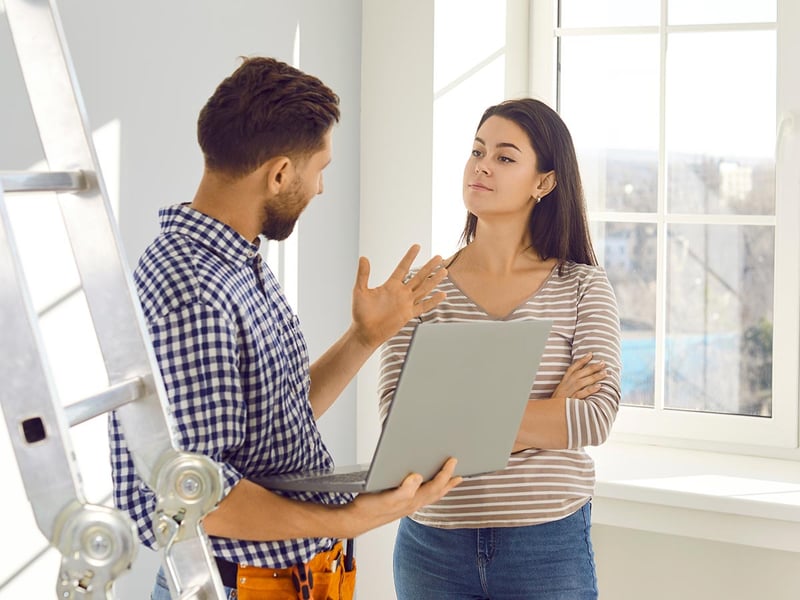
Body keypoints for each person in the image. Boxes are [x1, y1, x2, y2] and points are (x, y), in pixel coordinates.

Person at [108, 56, 461, 600]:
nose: (320, 189)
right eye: (319, 168)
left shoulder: (236, 262)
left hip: (293, 581)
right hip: (240, 588)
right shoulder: (195, 289)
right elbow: (198, 498)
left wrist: (364, 338)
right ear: (278, 173)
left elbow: (270, 427)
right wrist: (347, 520)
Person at [378, 98, 622, 600]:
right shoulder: (417, 288)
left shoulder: (582, 286)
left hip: (548, 543)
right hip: (432, 548)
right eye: (476, 151)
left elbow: (595, 418)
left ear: (544, 183)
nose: (482, 166)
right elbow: (401, 434)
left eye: (505, 157)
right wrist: (551, 409)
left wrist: (456, 426)